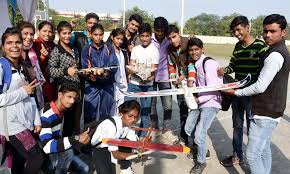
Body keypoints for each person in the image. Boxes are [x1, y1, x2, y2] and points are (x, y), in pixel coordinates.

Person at [225, 14, 290, 174]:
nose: (268, 35)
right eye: (266, 31)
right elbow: (233, 65)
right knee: (263, 148)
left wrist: (235, 92)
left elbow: (260, 86)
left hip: (262, 108)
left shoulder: (272, 53)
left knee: (253, 155)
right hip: (268, 107)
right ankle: (237, 154)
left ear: (283, 32)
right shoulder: (276, 50)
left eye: (272, 31)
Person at [218, 16, 268, 166]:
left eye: (239, 29)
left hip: (253, 96)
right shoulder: (238, 47)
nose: (237, 33)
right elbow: (232, 66)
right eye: (234, 31)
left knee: (253, 128)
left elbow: (266, 70)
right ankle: (237, 156)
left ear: (248, 28)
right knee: (237, 126)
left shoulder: (261, 46)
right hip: (237, 94)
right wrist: (223, 70)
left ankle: (255, 159)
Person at [0, 27, 44, 174]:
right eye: (9, 43)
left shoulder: (22, 66)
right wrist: (22, 92)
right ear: (3, 46)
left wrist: (36, 119)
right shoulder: (1, 67)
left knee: (19, 161)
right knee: (36, 156)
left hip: (25, 122)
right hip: (11, 125)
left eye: (17, 42)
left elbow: (30, 94)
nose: (14, 46)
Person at [182, 37, 222, 174]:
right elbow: (198, 83)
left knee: (199, 134)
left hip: (211, 102)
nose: (193, 52)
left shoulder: (208, 63)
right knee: (188, 129)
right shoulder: (195, 63)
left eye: (196, 49)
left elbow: (213, 88)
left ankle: (201, 162)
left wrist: (198, 100)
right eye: (191, 50)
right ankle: (202, 149)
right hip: (199, 101)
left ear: (202, 49)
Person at [39, 82, 90, 174]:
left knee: (84, 169)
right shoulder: (46, 116)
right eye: (69, 97)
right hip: (46, 154)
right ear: (59, 95)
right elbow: (47, 147)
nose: (72, 101)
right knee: (69, 153)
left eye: (74, 98)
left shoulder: (62, 110)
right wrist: (77, 138)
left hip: (56, 150)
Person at [48, 21, 81, 136]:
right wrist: (66, 71)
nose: (67, 36)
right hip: (64, 90)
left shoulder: (73, 49)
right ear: (58, 34)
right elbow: (50, 71)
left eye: (69, 33)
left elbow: (76, 68)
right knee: (60, 121)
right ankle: (59, 148)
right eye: (64, 33)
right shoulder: (56, 50)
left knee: (73, 121)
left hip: (76, 88)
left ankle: (72, 146)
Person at [126, 22, 160, 137]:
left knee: (145, 113)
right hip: (134, 84)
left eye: (147, 36)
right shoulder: (136, 49)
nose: (145, 39)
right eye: (142, 36)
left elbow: (154, 71)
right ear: (139, 36)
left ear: (151, 35)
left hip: (148, 85)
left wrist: (147, 78)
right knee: (127, 109)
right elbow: (131, 66)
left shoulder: (155, 50)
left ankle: (142, 137)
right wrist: (132, 71)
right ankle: (126, 134)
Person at [81, 23, 119, 123]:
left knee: (105, 114)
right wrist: (90, 76)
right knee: (89, 113)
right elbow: (84, 67)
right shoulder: (86, 49)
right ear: (90, 35)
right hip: (92, 85)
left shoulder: (109, 47)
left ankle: (103, 137)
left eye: (100, 35)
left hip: (107, 84)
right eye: (95, 35)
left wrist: (105, 73)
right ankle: (88, 136)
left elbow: (114, 65)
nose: (98, 37)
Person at [91, 100, 141, 174]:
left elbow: (134, 143)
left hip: (112, 147)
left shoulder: (129, 125)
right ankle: (126, 168)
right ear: (121, 114)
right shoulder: (111, 126)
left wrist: (140, 149)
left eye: (136, 117)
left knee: (128, 142)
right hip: (100, 149)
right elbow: (115, 154)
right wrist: (134, 155)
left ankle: (126, 169)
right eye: (130, 116)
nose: (133, 120)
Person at [166, 24, 189, 144]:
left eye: (174, 37)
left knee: (195, 112)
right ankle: (184, 138)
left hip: (194, 83)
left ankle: (197, 145)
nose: (172, 41)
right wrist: (173, 77)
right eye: (169, 39)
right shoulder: (170, 48)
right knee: (183, 110)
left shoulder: (190, 43)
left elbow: (195, 63)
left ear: (178, 33)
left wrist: (183, 76)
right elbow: (170, 64)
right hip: (181, 84)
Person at [150, 17, 173, 134]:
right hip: (151, 77)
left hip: (165, 77)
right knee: (152, 105)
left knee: (168, 105)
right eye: (157, 30)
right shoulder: (149, 39)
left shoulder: (169, 40)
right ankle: (155, 128)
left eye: (162, 31)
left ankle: (166, 129)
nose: (159, 33)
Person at [17, 21, 46, 111]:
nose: (29, 37)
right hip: (19, 103)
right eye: (25, 34)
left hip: (34, 99)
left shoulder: (32, 54)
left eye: (31, 34)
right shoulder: (12, 56)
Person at [33, 21, 55, 102]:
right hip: (41, 83)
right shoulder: (35, 44)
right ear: (38, 32)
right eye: (44, 31)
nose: (47, 34)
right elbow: (33, 66)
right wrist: (42, 57)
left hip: (51, 81)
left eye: (49, 31)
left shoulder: (51, 45)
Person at [107, 28, 128, 115]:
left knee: (121, 109)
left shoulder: (122, 51)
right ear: (112, 37)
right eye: (117, 38)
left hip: (122, 84)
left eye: (121, 39)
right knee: (112, 110)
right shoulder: (107, 50)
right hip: (112, 84)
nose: (119, 41)